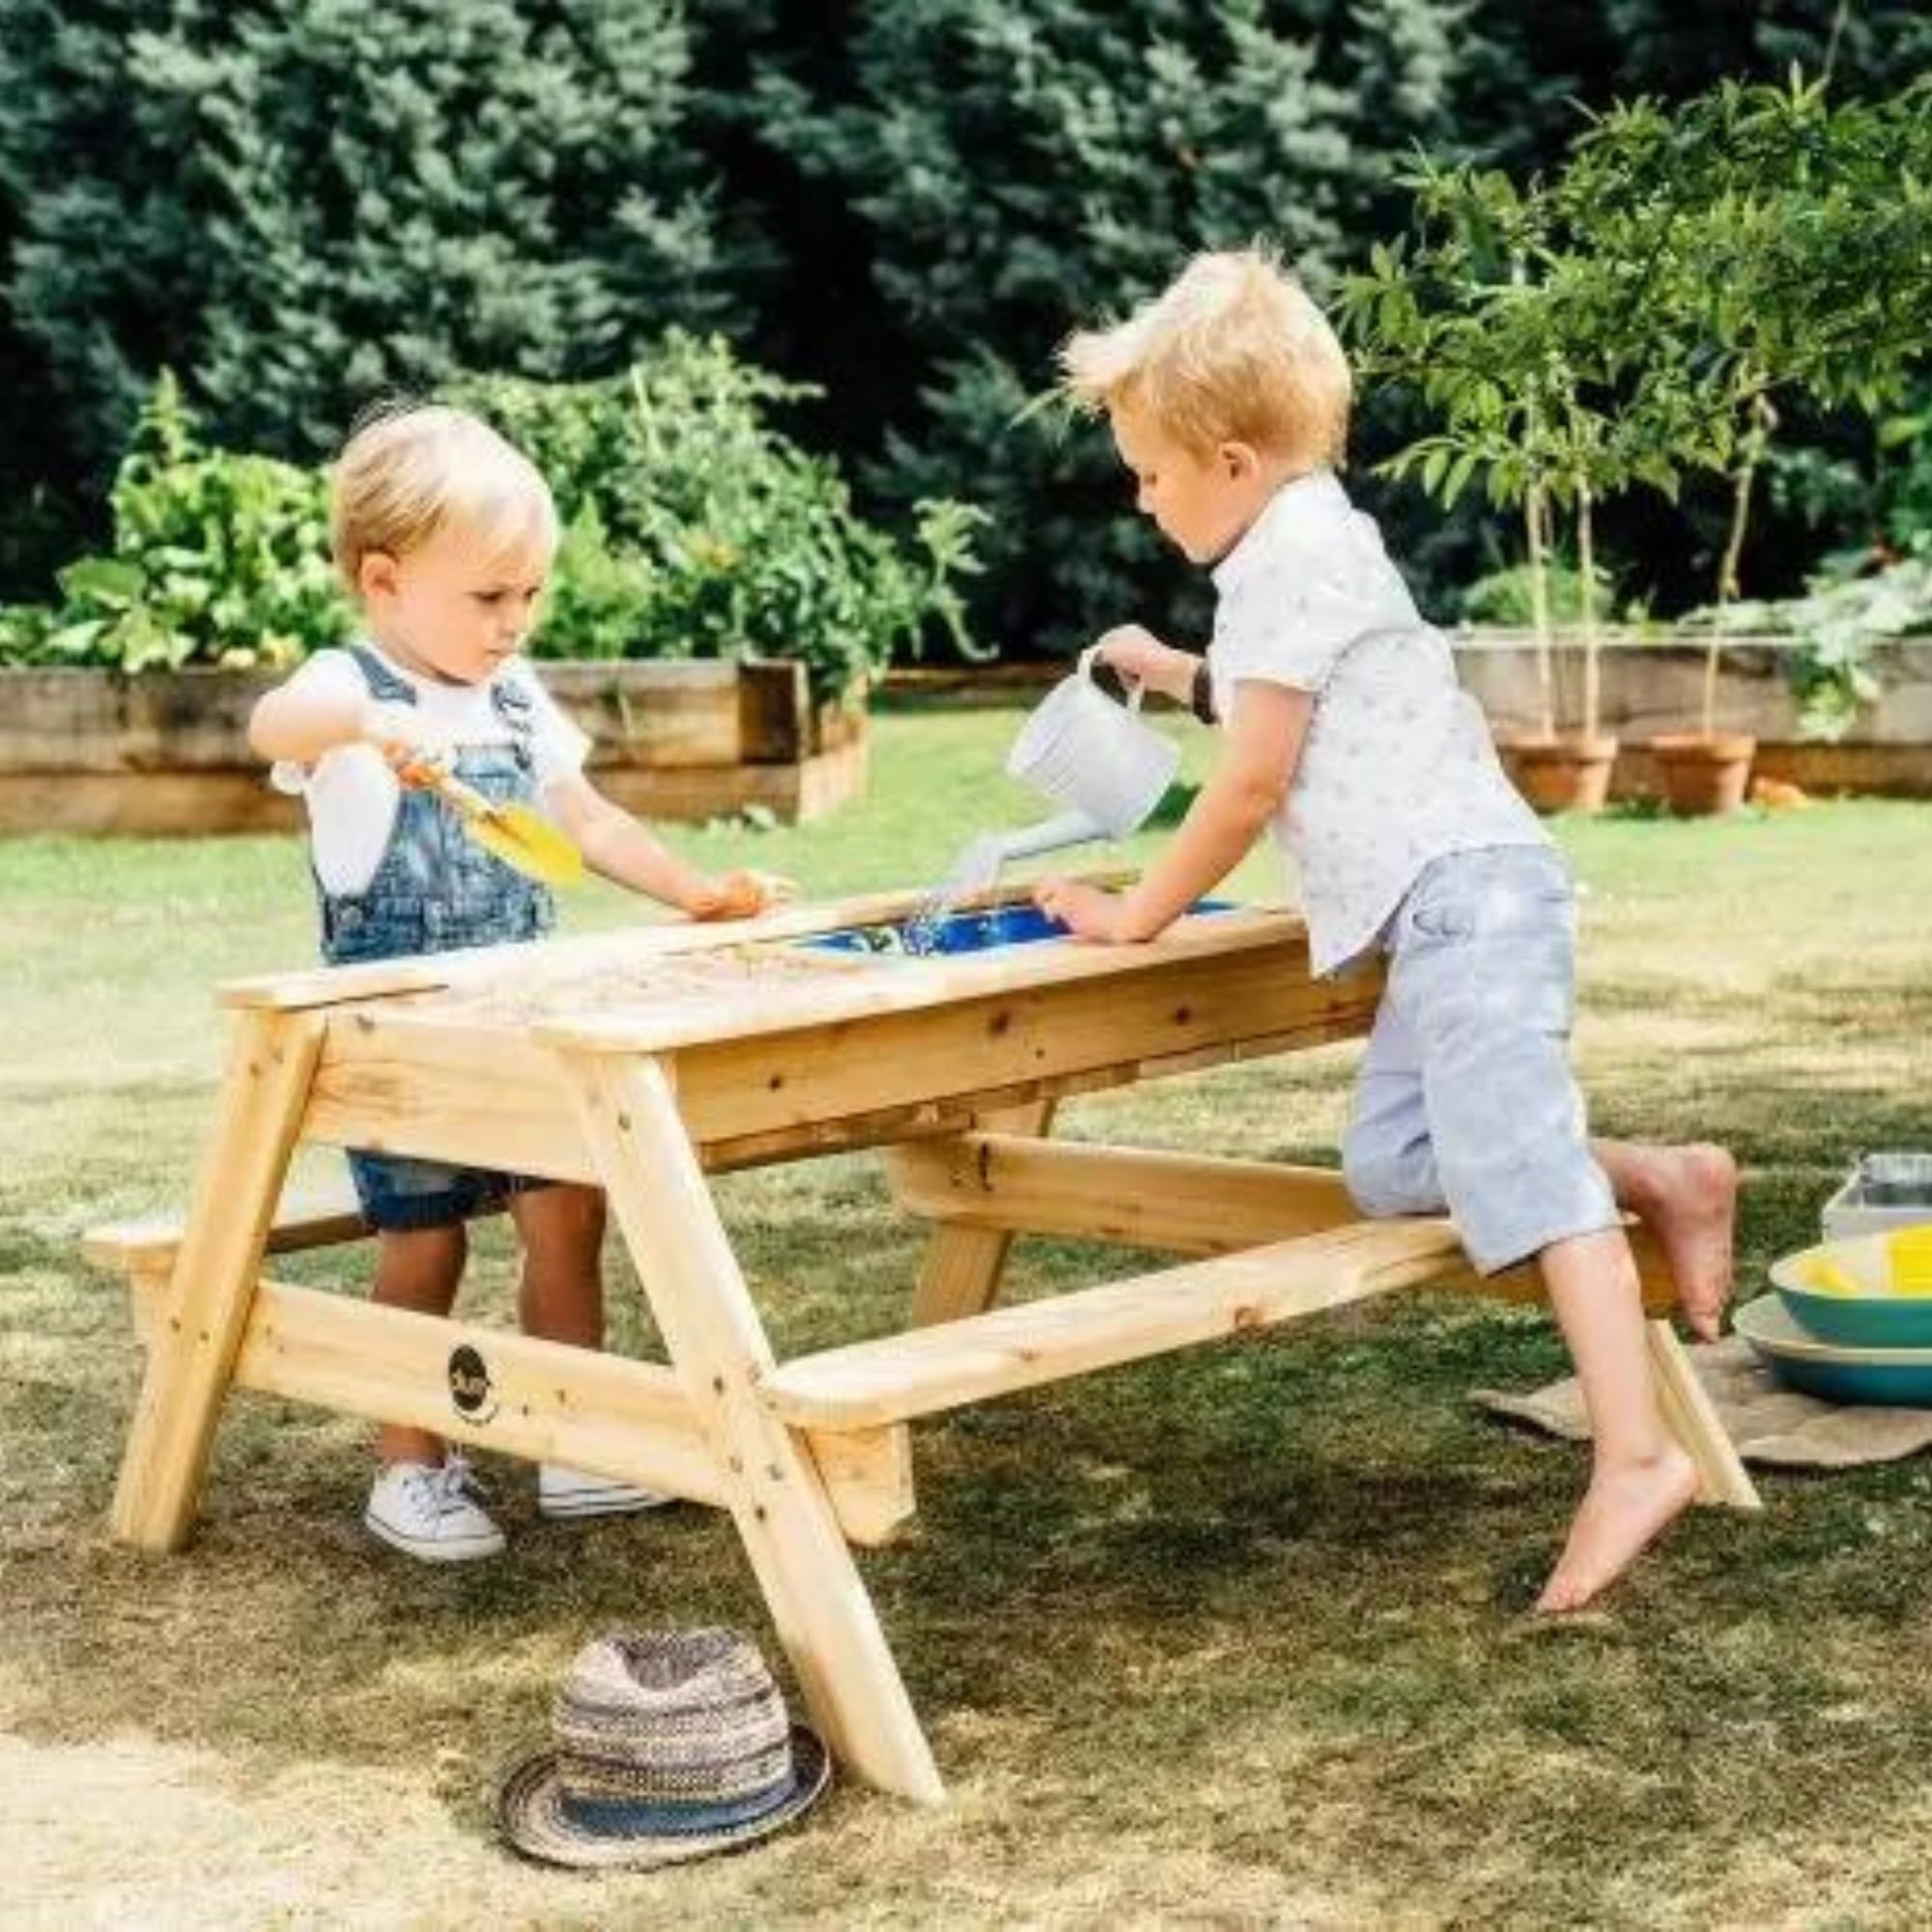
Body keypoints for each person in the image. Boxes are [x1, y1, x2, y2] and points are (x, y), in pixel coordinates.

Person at [1037, 248, 1738, 1613]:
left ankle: (1637, 1453)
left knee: (1523, 1175)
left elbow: (1251, 779)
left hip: (1467, 898)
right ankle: (1667, 1175)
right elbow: (1274, 707)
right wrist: (1165, 667)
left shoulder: (1289, 554)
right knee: (1398, 1164)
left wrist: (1136, 916)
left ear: (1230, 460)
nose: (1141, 494)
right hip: (1438, 914)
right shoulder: (1298, 547)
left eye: (1151, 471)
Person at [248, 401, 788, 1562]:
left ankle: (572, 1438)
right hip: (403, 1044)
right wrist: (345, 720)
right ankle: (410, 1463)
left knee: (566, 1212)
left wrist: (692, 889)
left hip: (526, 1026)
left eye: (527, 594)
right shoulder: (348, 688)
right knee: (426, 1240)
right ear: (385, 582)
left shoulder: (509, 695)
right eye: (489, 596)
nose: (513, 621)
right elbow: (268, 723)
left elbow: (583, 818)